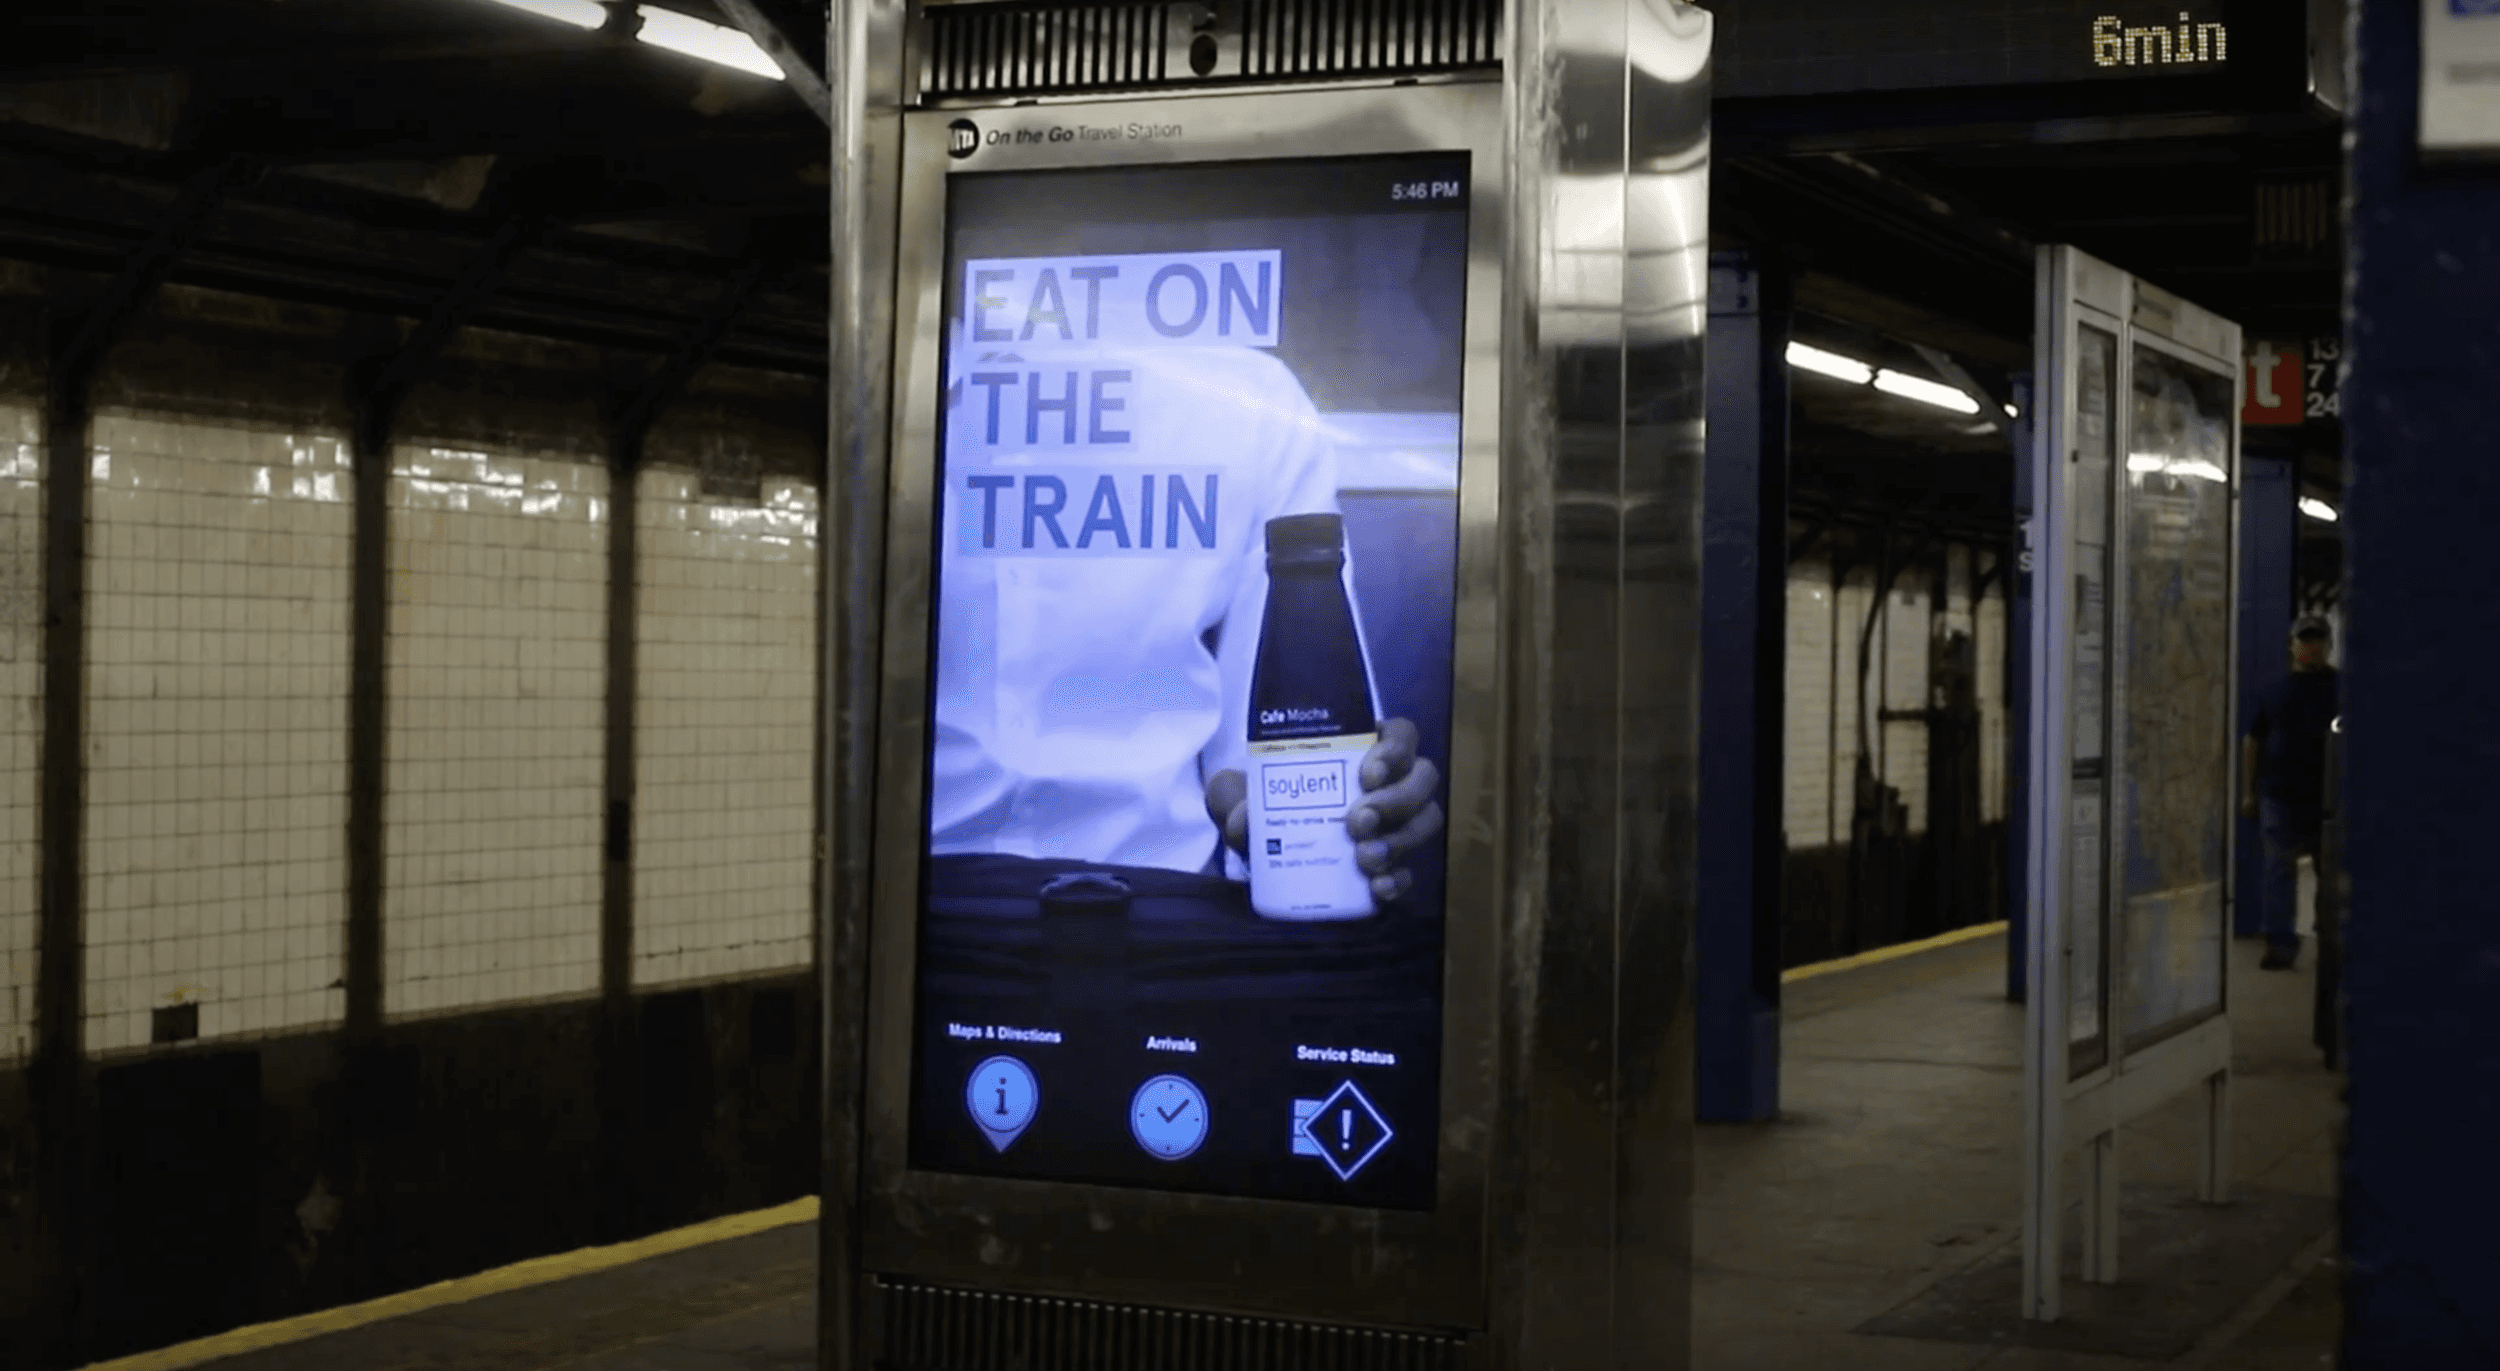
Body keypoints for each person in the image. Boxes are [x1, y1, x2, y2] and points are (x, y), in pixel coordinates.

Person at [928, 333, 1445, 909]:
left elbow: (1279, 761)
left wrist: (1342, 812)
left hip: (1169, 917)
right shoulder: (881, 389)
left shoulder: (1247, 403)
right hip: (902, 913)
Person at [2241, 614, 2339, 970]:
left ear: (2329, 645)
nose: (2311, 646)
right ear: (2293, 645)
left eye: (2317, 640)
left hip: (2330, 801)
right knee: (2277, 874)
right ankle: (2280, 946)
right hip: (2279, 795)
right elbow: (2253, 739)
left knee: (2330, 876)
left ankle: (2331, 943)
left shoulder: (2345, 688)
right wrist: (2249, 791)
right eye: (2304, 639)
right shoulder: (2273, 688)